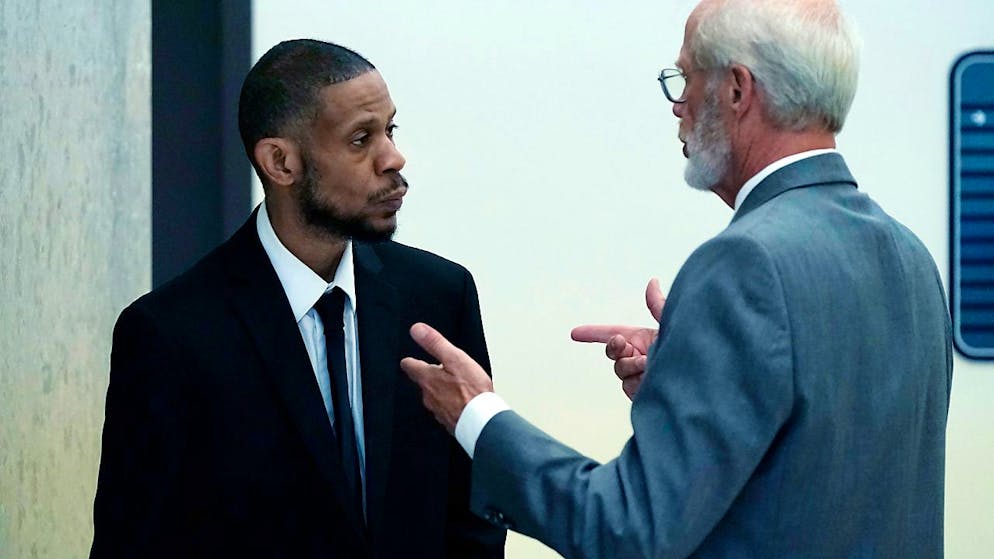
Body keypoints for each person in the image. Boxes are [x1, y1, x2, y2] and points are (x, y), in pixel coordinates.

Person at [400, 0, 953, 557]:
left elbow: (624, 530)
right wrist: (690, 371)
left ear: (737, 90)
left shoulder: (744, 265)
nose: (677, 106)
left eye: (685, 78)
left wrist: (478, 416)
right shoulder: (911, 258)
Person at [91, 40, 505, 558]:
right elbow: (132, 546)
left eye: (389, 130)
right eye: (361, 139)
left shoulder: (440, 295)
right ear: (280, 162)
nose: (393, 158)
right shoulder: (170, 334)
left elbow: (474, 514)